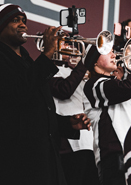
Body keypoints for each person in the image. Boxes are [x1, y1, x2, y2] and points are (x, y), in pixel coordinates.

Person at [0, 3, 91, 185]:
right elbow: (16, 94)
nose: (23, 25)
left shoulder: (29, 61)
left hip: (45, 161)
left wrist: (67, 123)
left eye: (24, 20)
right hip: (15, 164)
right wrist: (47, 54)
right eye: (15, 20)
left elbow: (37, 111)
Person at [83, 45, 131, 185]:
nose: (114, 56)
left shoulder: (121, 84)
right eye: (108, 53)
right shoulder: (92, 85)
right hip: (113, 157)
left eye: (113, 52)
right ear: (94, 62)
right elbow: (128, 88)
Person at [50, 44, 100, 185]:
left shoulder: (80, 72)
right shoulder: (53, 70)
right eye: (63, 43)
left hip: (88, 140)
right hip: (70, 143)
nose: (69, 47)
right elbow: (63, 90)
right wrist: (84, 62)